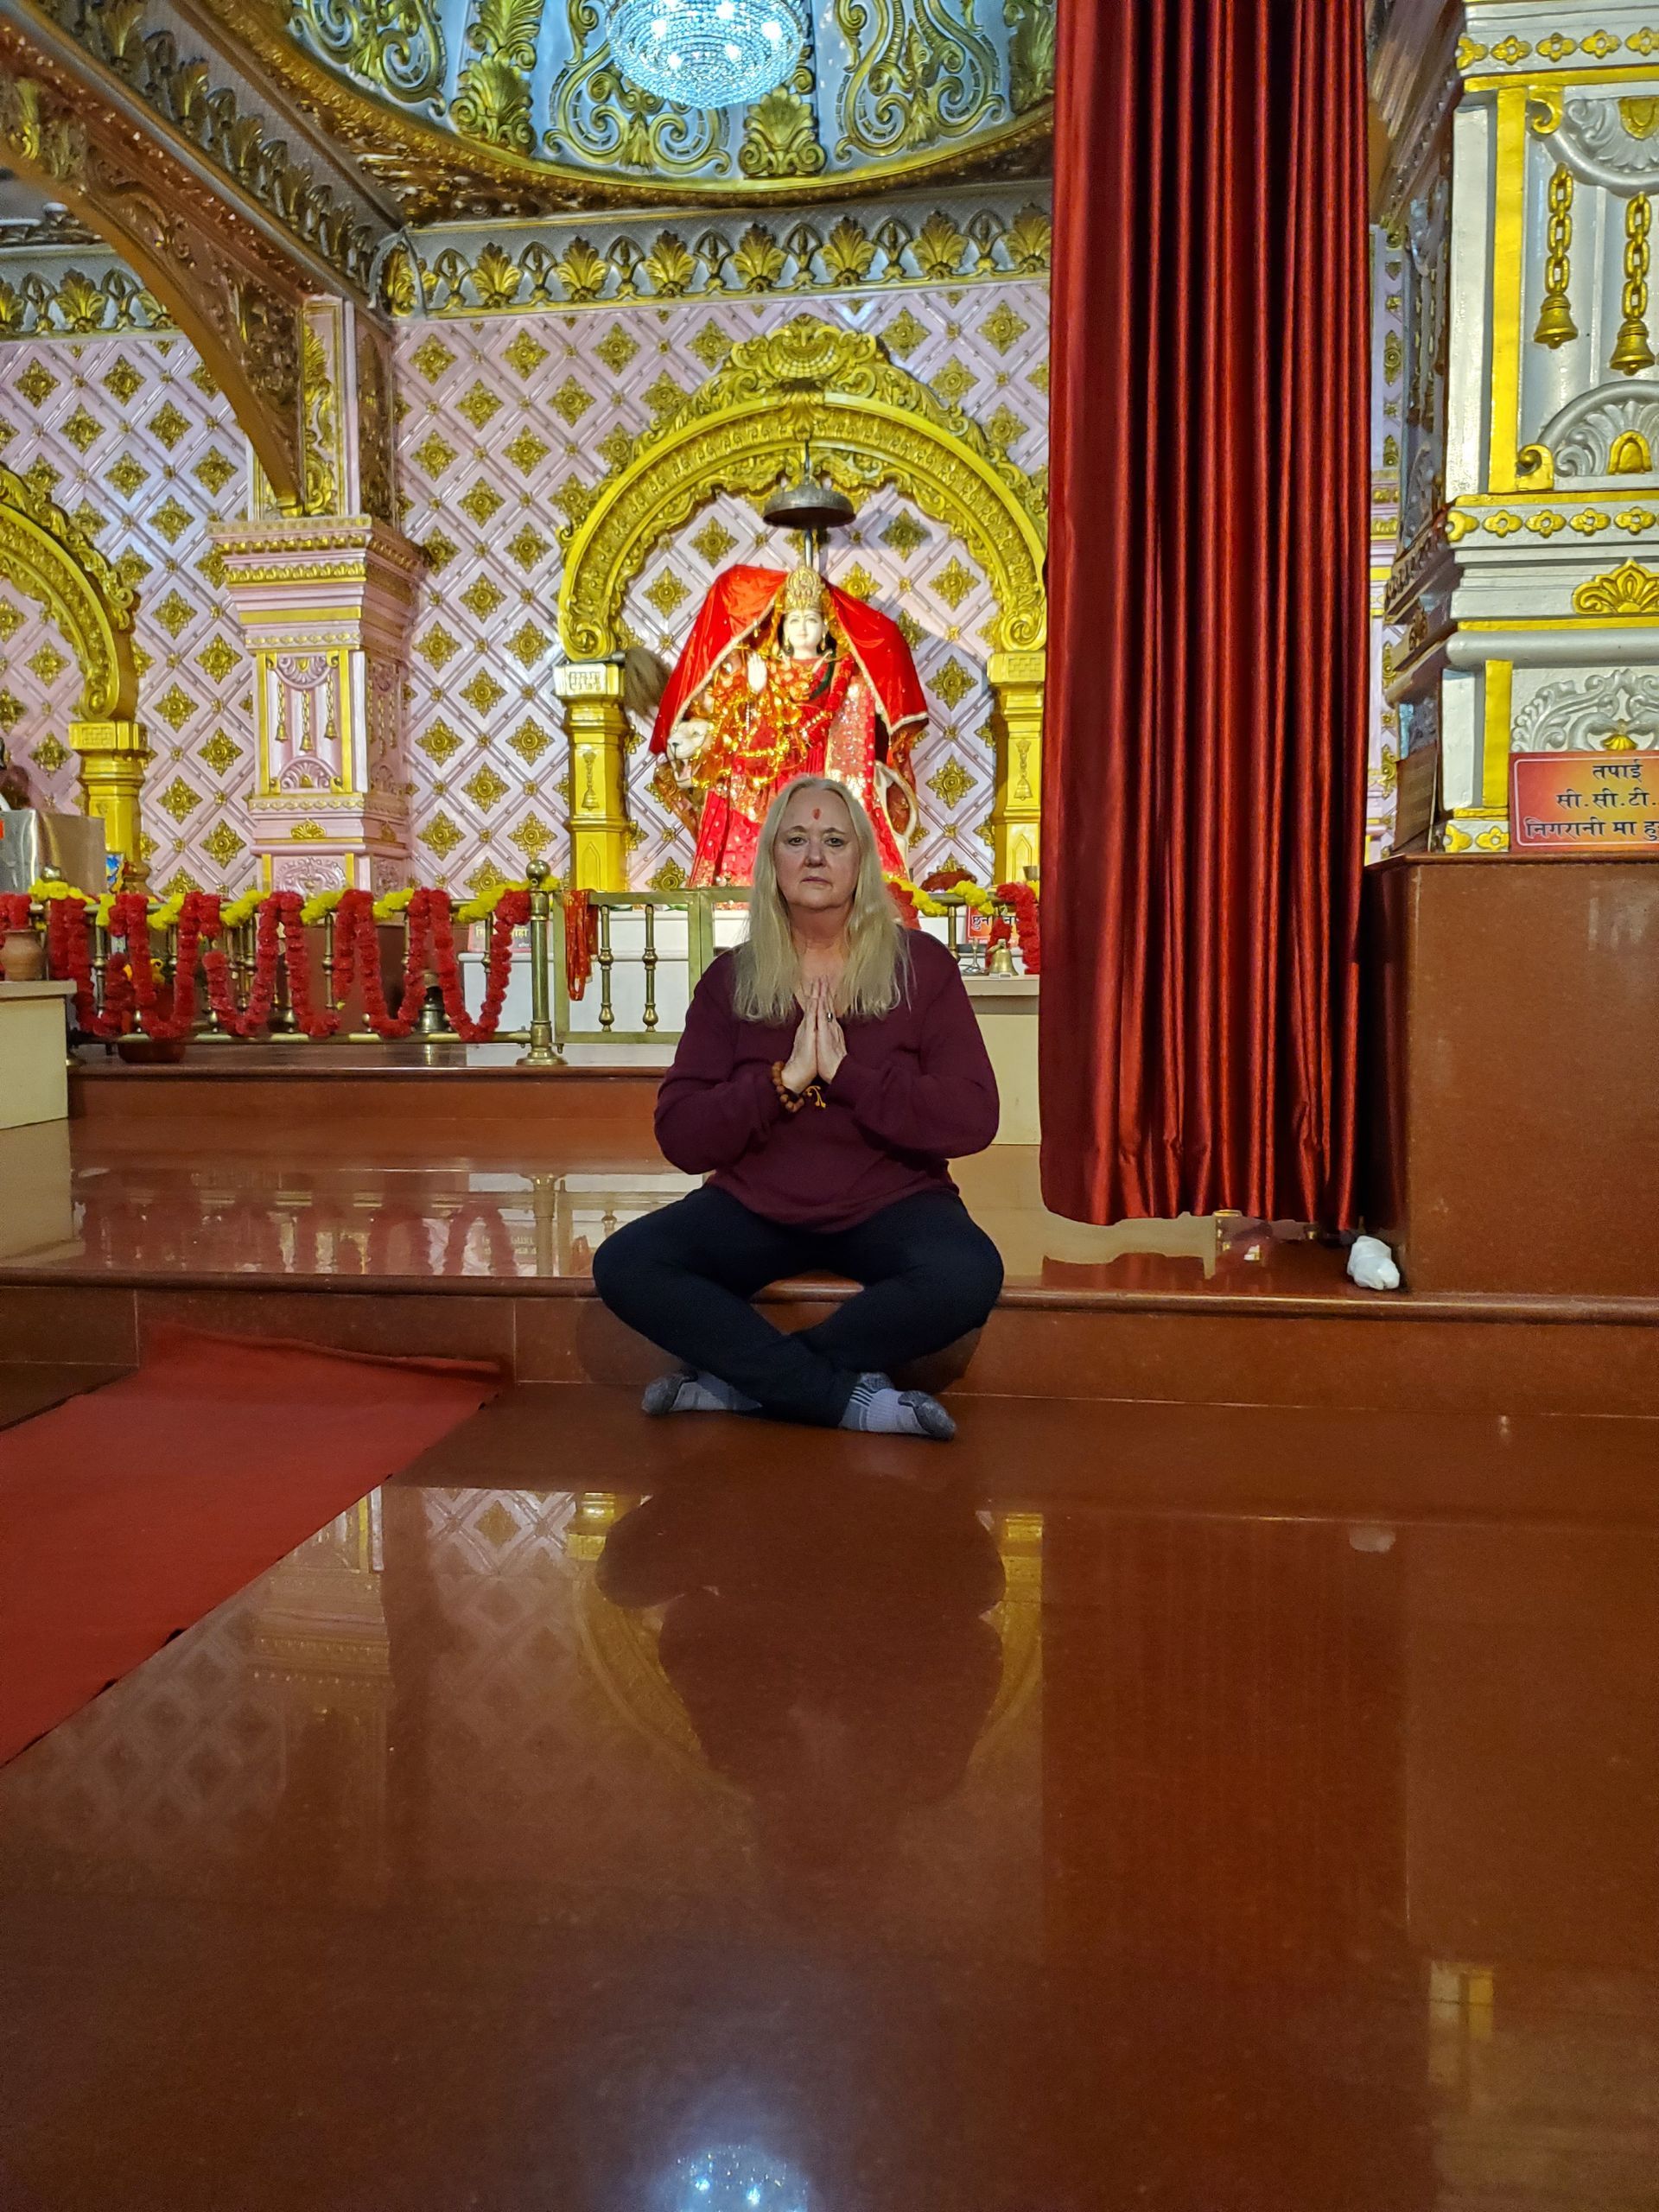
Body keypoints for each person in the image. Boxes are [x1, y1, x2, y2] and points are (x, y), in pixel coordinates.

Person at [590, 774, 1004, 1440]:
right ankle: (847, 1401)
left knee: (967, 1274)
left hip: (892, 1200)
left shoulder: (920, 966)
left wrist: (846, 1076)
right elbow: (682, 1135)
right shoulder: (731, 978)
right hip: (757, 1204)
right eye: (796, 840)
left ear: (861, 861)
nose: (815, 855)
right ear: (772, 862)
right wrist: (782, 1082)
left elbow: (973, 1116)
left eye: (835, 841)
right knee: (627, 1264)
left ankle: (745, 1386)